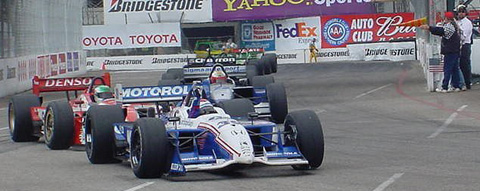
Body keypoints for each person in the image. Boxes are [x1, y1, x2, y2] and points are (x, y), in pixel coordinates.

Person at [420, 12, 462, 93]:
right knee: (454, 69)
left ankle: (445, 87)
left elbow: (440, 31)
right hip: (454, 50)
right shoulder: (454, 25)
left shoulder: (449, 26)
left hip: (450, 51)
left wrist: (428, 28)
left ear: (447, 18)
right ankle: (456, 86)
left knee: (447, 69)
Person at [456, 5, 473, 90]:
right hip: (458, 45)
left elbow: (464, 35)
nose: (461, 13)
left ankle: (467, 82)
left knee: (465, 64)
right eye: (459, 12)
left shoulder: (467, 22)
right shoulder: (457, 22)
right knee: (459, 64)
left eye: (462, 12)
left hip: (465, 45)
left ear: (465, 13)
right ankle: (461, 82)